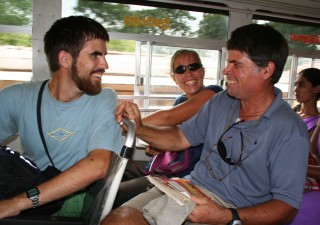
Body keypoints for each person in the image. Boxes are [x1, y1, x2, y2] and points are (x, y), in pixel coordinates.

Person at [102, 24, 310, 225]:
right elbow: (180, 137)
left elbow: (287, 207)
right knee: (117, 219)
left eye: (236, 64)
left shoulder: (289, 130)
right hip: (190, 188)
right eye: (228, 62)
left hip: (232, 208)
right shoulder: (221, 102)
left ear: (266, 70)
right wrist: (139, 127)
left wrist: (227, 216)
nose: (225, 70)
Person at [0, 16, 123, 218]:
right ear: (65, 59)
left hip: (71, 201)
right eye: (95, 55)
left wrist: (16, 203)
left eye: (104, 55)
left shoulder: (104, 98)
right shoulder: (17, 97)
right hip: (30, 187)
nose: (104, 64)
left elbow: (98, 165)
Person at [115, 49, 222, 207]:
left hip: (189, 177)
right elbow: (171, 136)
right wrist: (156, 146)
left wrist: (127, 126)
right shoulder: (180, 100)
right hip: (169, 171)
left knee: (117, 195)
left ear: (202, 71)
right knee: (115, 175)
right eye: (180, 70)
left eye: (193, 67)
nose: (189, 74)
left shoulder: (214, 94)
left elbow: (168, 117)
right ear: (174, 78)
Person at [293, 67, 320, 164]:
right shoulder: (291, 114)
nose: (296, 90)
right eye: (295, 85)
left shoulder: (317, 124)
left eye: (301, 85)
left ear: (316, 89)